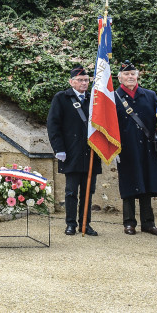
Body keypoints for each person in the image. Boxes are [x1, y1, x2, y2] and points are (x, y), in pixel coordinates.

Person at [47, 65, 102, 236]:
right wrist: (59, 149)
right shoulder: (62, 98)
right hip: (71, 152)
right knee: (71, 191)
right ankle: (70, 223)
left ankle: (85, 223)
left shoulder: (95, 99)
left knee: (88, 191)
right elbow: (53, 125)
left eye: (86, 80)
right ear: (71, 82)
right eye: (80, 80)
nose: (84, 83)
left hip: (91, 152)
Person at [113, 60, 157, 236]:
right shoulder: (113, 97)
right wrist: (112, 149)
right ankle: (129, 223)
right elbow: (109, 125)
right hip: (126, 147)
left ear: (137, 76)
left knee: (147, 184)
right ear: (120, 78)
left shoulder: (149, 95)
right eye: (126, 74)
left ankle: (148, 223)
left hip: (147, 146)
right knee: (128, 184)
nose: (130, 77)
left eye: (133, 74)